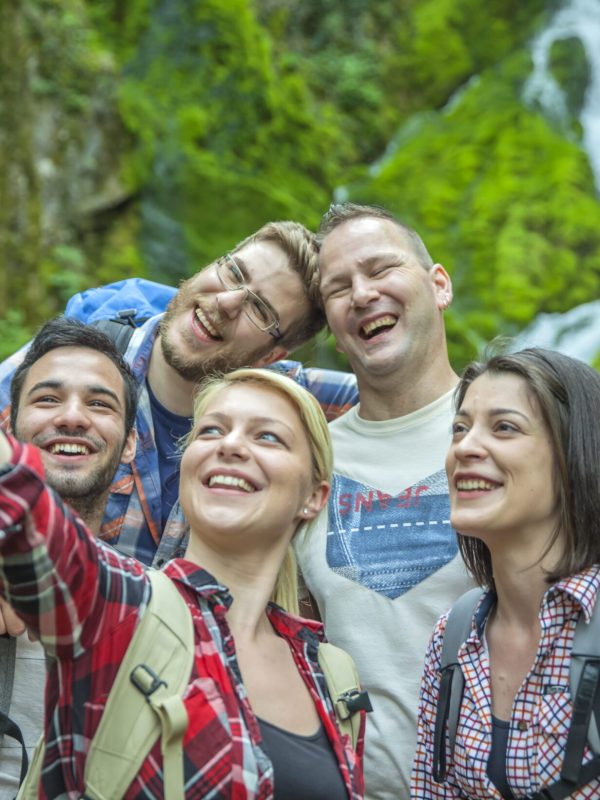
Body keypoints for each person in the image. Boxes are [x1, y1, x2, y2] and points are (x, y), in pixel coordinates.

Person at [0, 368, 365, 799]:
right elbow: (29, 516)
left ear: (314, 497)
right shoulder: (121, 606)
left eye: (267, 437)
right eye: (211, 431)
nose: (230, 445)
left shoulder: (334, 676)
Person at [0, 221, 359, 566]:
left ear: (271, 356)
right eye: (233, 272)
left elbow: (400, 397)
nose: (227, 302)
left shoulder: (288, 404)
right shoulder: (75, 361)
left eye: (260, 309)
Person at [295, 202, 473, 798]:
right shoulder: (306, 463)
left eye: (380, 269)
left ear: (438, 284)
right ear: (334, 332)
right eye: (338, 288)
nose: (362, 294)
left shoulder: (518, 431)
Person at [412, 348, 600, 799]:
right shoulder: (453, 636)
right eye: (460, 428)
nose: (466, 448)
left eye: (504, 427)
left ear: (575, 454)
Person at [0, 317, 138, 797]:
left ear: (130, 443)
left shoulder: (151, 610)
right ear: (7, 426)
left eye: (100, 404)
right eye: (47, 399)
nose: (73, 417)